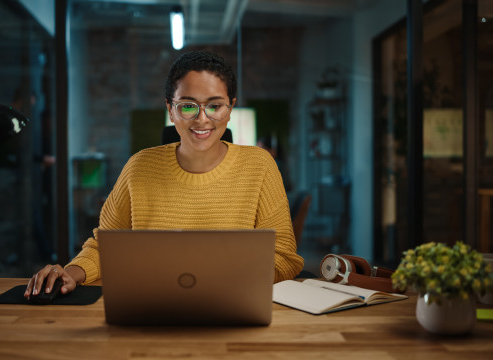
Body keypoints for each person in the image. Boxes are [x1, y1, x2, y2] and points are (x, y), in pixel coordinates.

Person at [24, 50, 304, 298]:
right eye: (188, 106)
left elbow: (284, 258)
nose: (202, 119)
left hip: (232, 306)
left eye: (215, 106)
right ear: (171, 109)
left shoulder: (260, 166)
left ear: (230, 108)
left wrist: (221, 279)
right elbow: (105, 246)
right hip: (152, 307)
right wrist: (71, 273)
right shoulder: (139, 167)